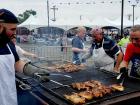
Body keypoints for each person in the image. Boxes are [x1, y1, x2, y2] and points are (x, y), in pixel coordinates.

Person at [0, 9, 49, 105]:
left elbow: (16, 62)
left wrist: (33, 71)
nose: (15, 34)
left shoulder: (9, 44)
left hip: (9, 96)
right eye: (12, 29)